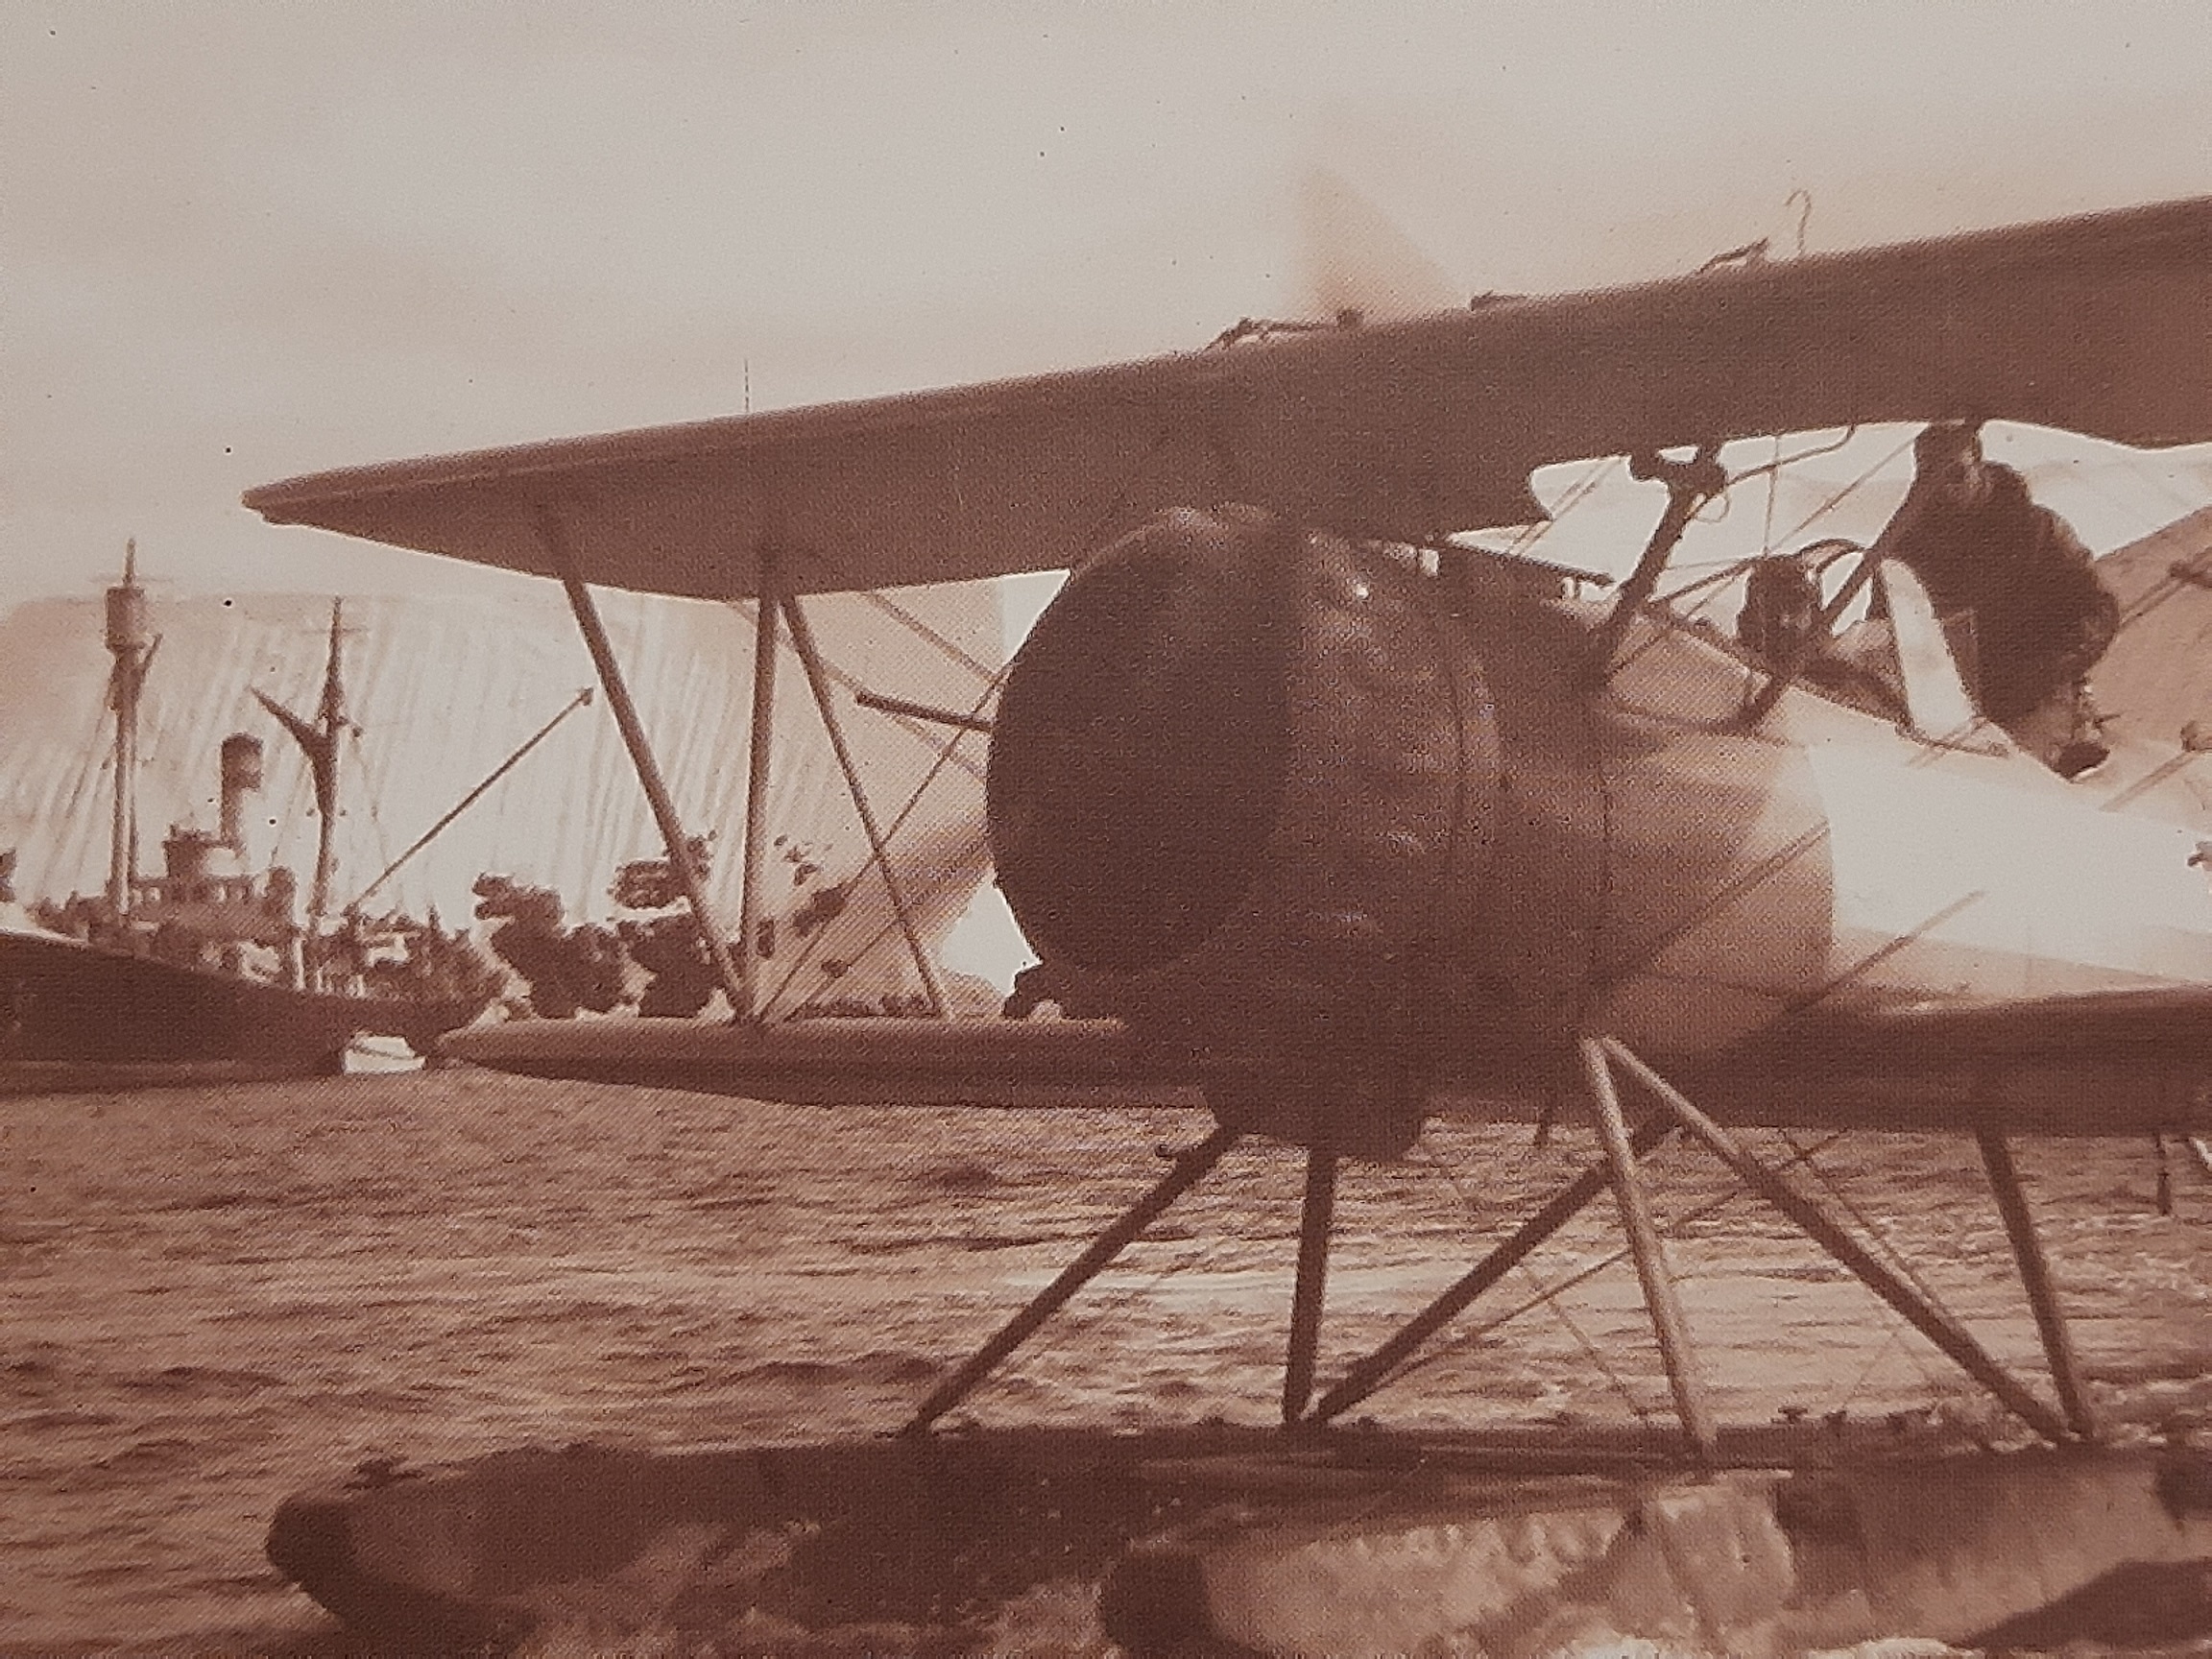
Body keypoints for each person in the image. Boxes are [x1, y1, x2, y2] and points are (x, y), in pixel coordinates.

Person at [1886, 421, 2118, 775]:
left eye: (1956, 474)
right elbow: (1884, 625)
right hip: (1940, 710)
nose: (1943, 487)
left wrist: (2051, 670)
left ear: (1979, 465)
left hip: (2034, 700)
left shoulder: (2038, 531)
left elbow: (2098, 609)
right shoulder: (1907, 545)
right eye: (1930, 475)